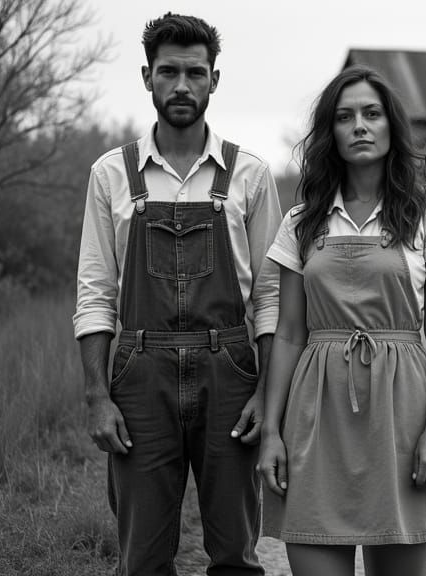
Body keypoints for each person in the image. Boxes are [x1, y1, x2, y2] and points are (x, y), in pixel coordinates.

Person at [74, 13, 281, 575]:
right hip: (141, 374)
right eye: (169, 72)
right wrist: (98, 395)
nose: (182, 86)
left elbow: (271, 300)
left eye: (196, 72)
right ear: (147, 77)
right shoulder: (111, 175)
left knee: (236, 554)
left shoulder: (251, 175)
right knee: (141, 558)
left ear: (215, 79)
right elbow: (94, 294)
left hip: (231, 373)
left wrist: (268, 392)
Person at [257, 65, 426, 576]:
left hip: (401, 411)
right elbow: (288, 332)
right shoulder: (302, 219)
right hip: (314, 414)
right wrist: (271, 431)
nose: (359, 125)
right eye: (345, 116)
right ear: (329, 133)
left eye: (372, 114)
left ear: (391, 126)